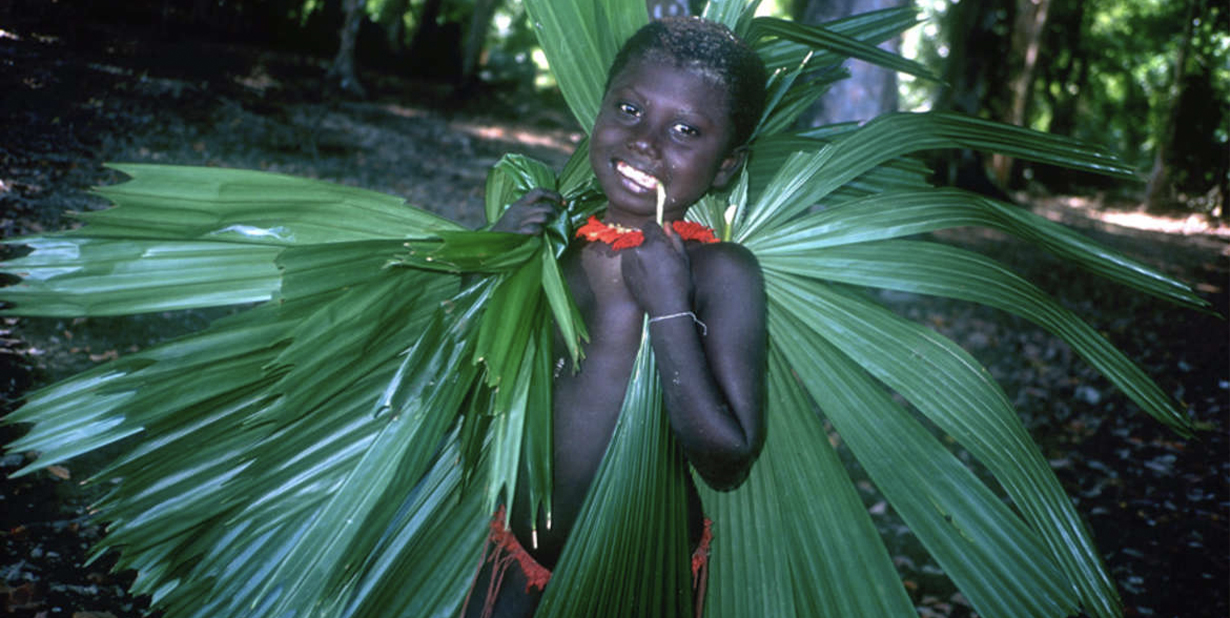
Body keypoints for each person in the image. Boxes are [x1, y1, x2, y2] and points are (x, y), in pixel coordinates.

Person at [462, 16, 769, 618]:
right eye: (629, 110)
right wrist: (493, 254)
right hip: (513, 556)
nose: (645, 142)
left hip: (634, 579)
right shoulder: (560, 241)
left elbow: (728, 459)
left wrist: (670, 308)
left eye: (685, 129)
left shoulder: (719, 271)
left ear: (727, 164)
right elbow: (473, 363)